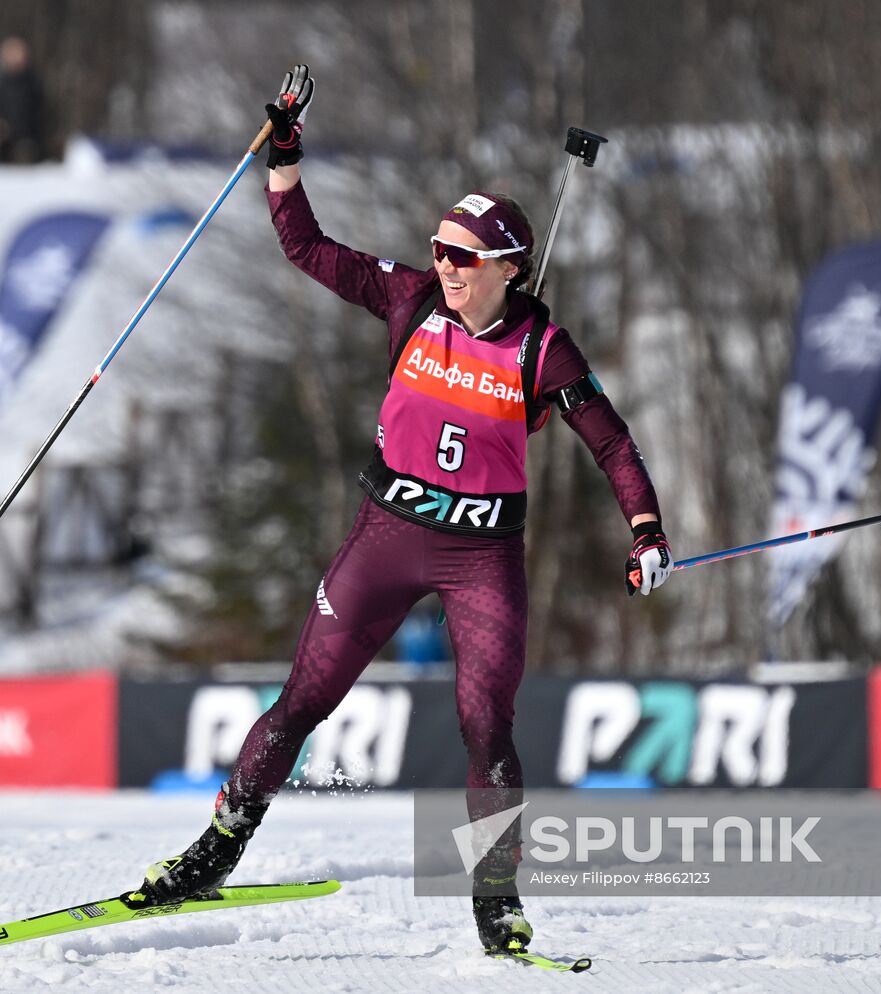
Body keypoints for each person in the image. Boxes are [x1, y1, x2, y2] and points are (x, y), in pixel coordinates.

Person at [137, 65, 672, 955]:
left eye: (463, 257)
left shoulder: (544, 347)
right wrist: (286, 152)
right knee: (304, 699)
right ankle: (216, 848)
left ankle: (497, 900)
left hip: (482, 556)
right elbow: (307, 247)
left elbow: (614, 443)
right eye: (439, 249)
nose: (444, 267)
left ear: (508, 268)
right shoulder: (410, 299)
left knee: (484, 723)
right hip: (387, 536)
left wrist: (646, 529)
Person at [0, 35, 46, 163]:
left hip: (29, 137)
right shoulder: (0, 83)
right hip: (5, 140)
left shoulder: (32, 82)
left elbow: (39, 111)